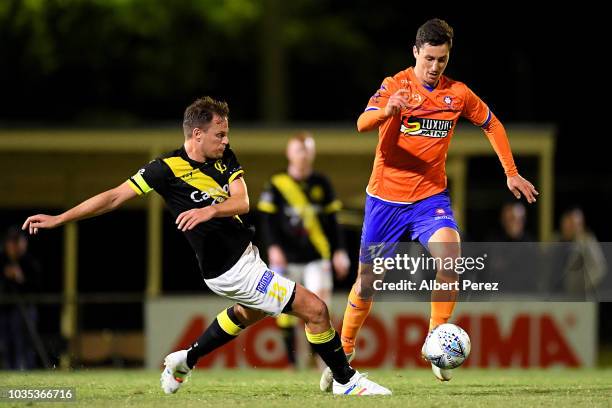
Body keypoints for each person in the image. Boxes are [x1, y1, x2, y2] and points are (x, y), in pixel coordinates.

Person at [22, 96, 390, 396]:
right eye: (220, 133)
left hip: (247, 256)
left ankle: (184, 361)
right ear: (197, 134)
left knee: (250, 314)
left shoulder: (224, 158)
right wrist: (59, 219)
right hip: (229, 269)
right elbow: (114, 197)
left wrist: (208, 211)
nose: (226, 140)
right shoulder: (164, 169)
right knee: (317, 310)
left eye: (226, 133)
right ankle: (345, 380)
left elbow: (242, 202)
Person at [320, 18, 538, 390]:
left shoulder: (458, 94)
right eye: (430, 58)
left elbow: (492, 123)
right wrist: (388, 110)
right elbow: (361, 123)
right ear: (416, 51)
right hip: (385, 199)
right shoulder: (396, 85)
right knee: (369, 282)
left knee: (451, 258)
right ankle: (345, 349)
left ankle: (437, 340)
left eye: (443, 59)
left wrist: (510, 171)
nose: (436, 66)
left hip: (429, 199)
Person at [257, 132, 350, 368]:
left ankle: (315, 359)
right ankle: (291, 363)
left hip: (317, 258)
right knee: (284, 309)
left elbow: (333, 221)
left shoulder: (322, 183)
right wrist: (273, 248)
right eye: (300, 150)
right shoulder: (277, 183)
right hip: (286, 259)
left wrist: (340, 251)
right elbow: (266, 220)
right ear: (289, 153)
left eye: (308, 150)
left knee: (319, 307)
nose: (304, 155)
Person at [0, 226, 42, 369]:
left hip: (25, 309)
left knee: (24, 345)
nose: (13, 245)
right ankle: (9, 375)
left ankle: (25, 375)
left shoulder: (29, 262)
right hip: (5, 309)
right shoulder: (2, 261)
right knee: (6, 345)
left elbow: (37, 286)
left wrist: (20, 278)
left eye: (16, 241)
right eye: (10, 242)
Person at [555, 207, 607, 296]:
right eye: (567, 224)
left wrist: (582, 286)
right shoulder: (556, 241)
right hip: (557, 295)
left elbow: (599, 269)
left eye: (573, 224)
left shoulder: (587, 242)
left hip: (580, 296)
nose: (569, 227)